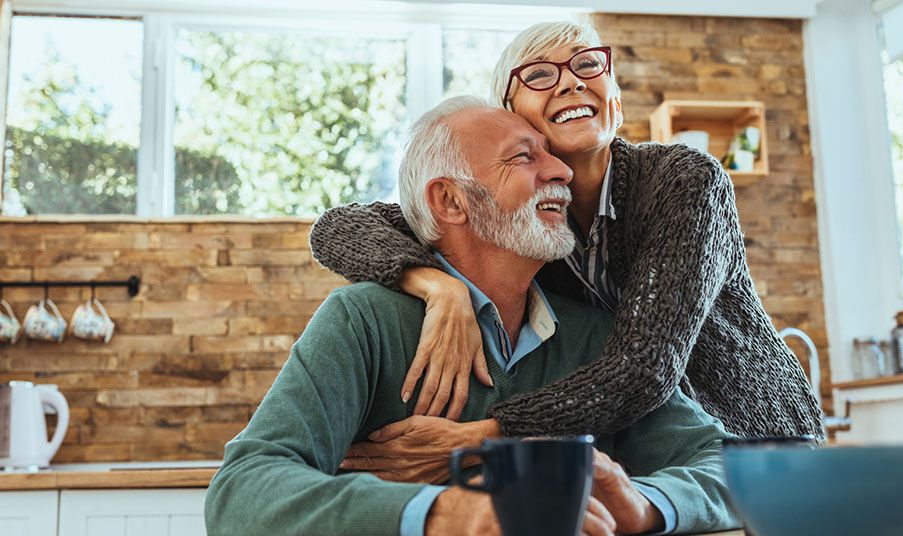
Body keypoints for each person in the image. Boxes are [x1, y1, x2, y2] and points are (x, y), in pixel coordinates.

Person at [205, 97, 739, 536]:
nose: (561, 171)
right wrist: (442, 514)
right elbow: (241, 491)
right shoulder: (364, 321)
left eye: (551, 155)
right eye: (524, 157)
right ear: (451, 201)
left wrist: (644, 504)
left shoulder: (596, 337)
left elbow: (728, 466)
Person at [310, 20, 824, 441]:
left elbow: (644, 367)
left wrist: (484, 435)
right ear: (511, 117)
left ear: (614, 99)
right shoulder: (520, 220)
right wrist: (437, 285)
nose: (571, 82)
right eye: (538, 74)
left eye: (587, 65)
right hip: (651, 452)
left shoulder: (685, 180)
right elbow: (339, 226)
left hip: (757, 437)